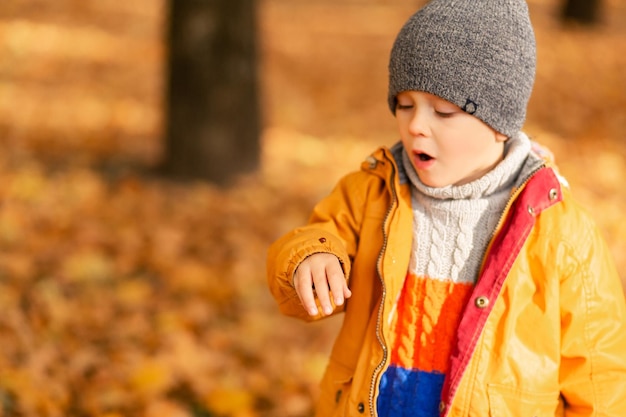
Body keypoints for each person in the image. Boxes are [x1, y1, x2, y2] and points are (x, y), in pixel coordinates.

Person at [266, 0, 626, 415]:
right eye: (404, 105)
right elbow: (310, 248)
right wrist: (309, 258)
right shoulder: (373, 194)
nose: (417, 124)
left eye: (444, 111)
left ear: (499, 124)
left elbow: (601, 380)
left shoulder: (559, 234)